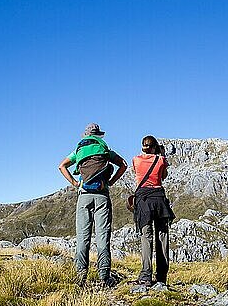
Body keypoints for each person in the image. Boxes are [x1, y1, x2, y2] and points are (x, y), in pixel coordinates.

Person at [58, 123, 127, 287]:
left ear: (86, 135)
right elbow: (123, 164)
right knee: (103, 237)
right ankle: (104, 277)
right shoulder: (105, 150)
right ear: (98, 136)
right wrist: (110, 182)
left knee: (83, 238)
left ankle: (80, 277)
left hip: (84, 197)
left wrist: (75, 183)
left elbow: (61, 166)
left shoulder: (78, 151)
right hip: (102, 196)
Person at [132, 135, 175, 286]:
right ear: (155, 147)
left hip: (144, 201)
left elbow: (139, 173)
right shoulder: (161, 160)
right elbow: (163, 177)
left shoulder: (136, 160)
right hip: (159, 200)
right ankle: (162, 276)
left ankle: (145, 276)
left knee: (146, 237)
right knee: (162, 237)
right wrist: (161, 155)